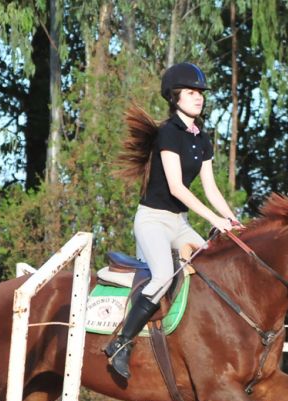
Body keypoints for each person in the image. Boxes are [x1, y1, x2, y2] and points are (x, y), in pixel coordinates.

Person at [104, 62, 243, 380]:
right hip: (152, 221)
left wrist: (233, 220)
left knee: (210, 270)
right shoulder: (168, 133)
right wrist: (213, 219)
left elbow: (211, 188)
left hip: (179, 223)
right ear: (174, 96)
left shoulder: (202, 139)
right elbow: (178, 188)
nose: (199, 97)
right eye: (191, 92)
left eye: (201, 93)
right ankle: (121, 343)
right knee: (163, 276)